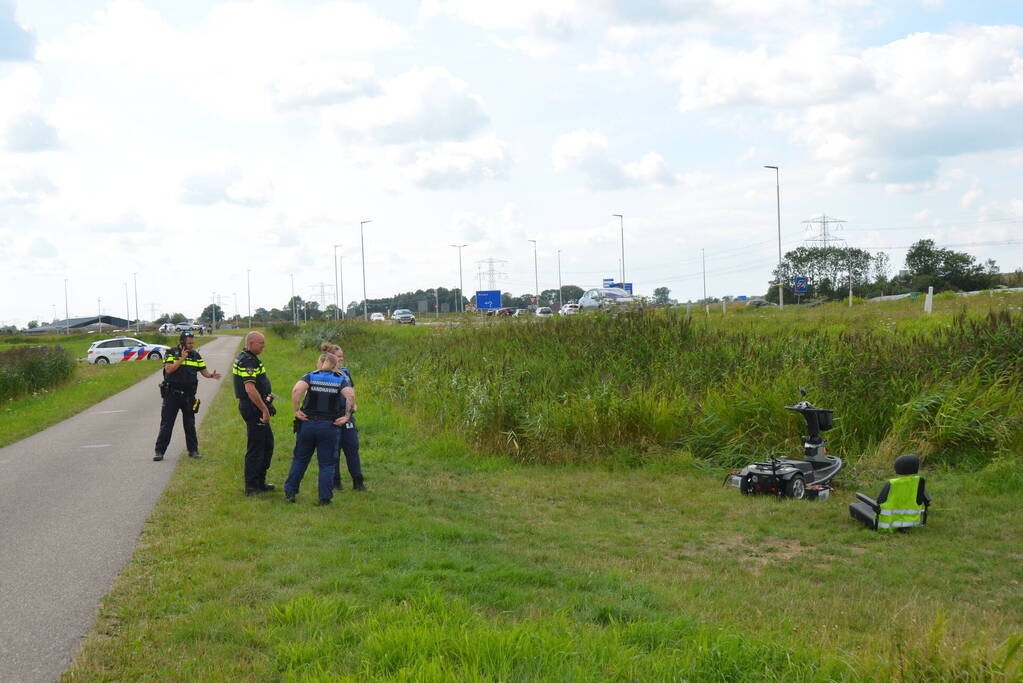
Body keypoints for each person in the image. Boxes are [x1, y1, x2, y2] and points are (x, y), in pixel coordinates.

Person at [285, 353, 354, 505]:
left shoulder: (310, 376)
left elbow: (296, 391)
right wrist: (347, 416)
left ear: (320, 363)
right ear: (335, 365)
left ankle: (290, 492)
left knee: (300, 459)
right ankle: (324, 498)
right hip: (329, 426)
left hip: (308, 423)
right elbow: (350, 396)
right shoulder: (340, 379)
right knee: (327, 464)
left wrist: (296, 410)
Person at [153, 331, 221, 461]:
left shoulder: (195, 355)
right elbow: (169, 369)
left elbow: (204, 372)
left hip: (189, 396)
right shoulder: (171, 353)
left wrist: (211, 375)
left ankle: (193, 450)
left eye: (192, 343)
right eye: (189, 343)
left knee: (190, 424)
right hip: (172, 394)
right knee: (167, 424)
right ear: (182, 342)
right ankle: (159, 451)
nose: (191, 345)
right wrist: (182, 359)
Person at [233, 331, 276, 496]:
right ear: (251, 343)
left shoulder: (251, 358)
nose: (264, 346)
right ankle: (251, 487)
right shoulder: (248, 361)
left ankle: (260, 482)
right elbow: (250, 389)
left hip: (257, 405)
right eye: (261, 343)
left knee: (267, 444)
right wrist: (264, 409)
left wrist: (267, 396)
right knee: (256, 448)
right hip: (253, 408)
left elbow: (258, 385)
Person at [322, 342, 367, 491]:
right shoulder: (322, 375)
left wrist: (353, 403)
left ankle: (358, 482)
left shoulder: (345, 372)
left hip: (347, 417)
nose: (341, 359)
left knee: (352, 448)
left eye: (342, 356)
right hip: (331, 419)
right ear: (330, 358)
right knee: (333, 452)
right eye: (338, 357)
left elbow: (351, 390)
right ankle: (336, 482)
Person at [849, 454, 931, 531]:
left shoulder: (892, 483)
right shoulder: (919, 482)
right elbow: (927, 500)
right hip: (912, 522)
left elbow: (878, 503)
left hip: (886, 524)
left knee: (854, 506)